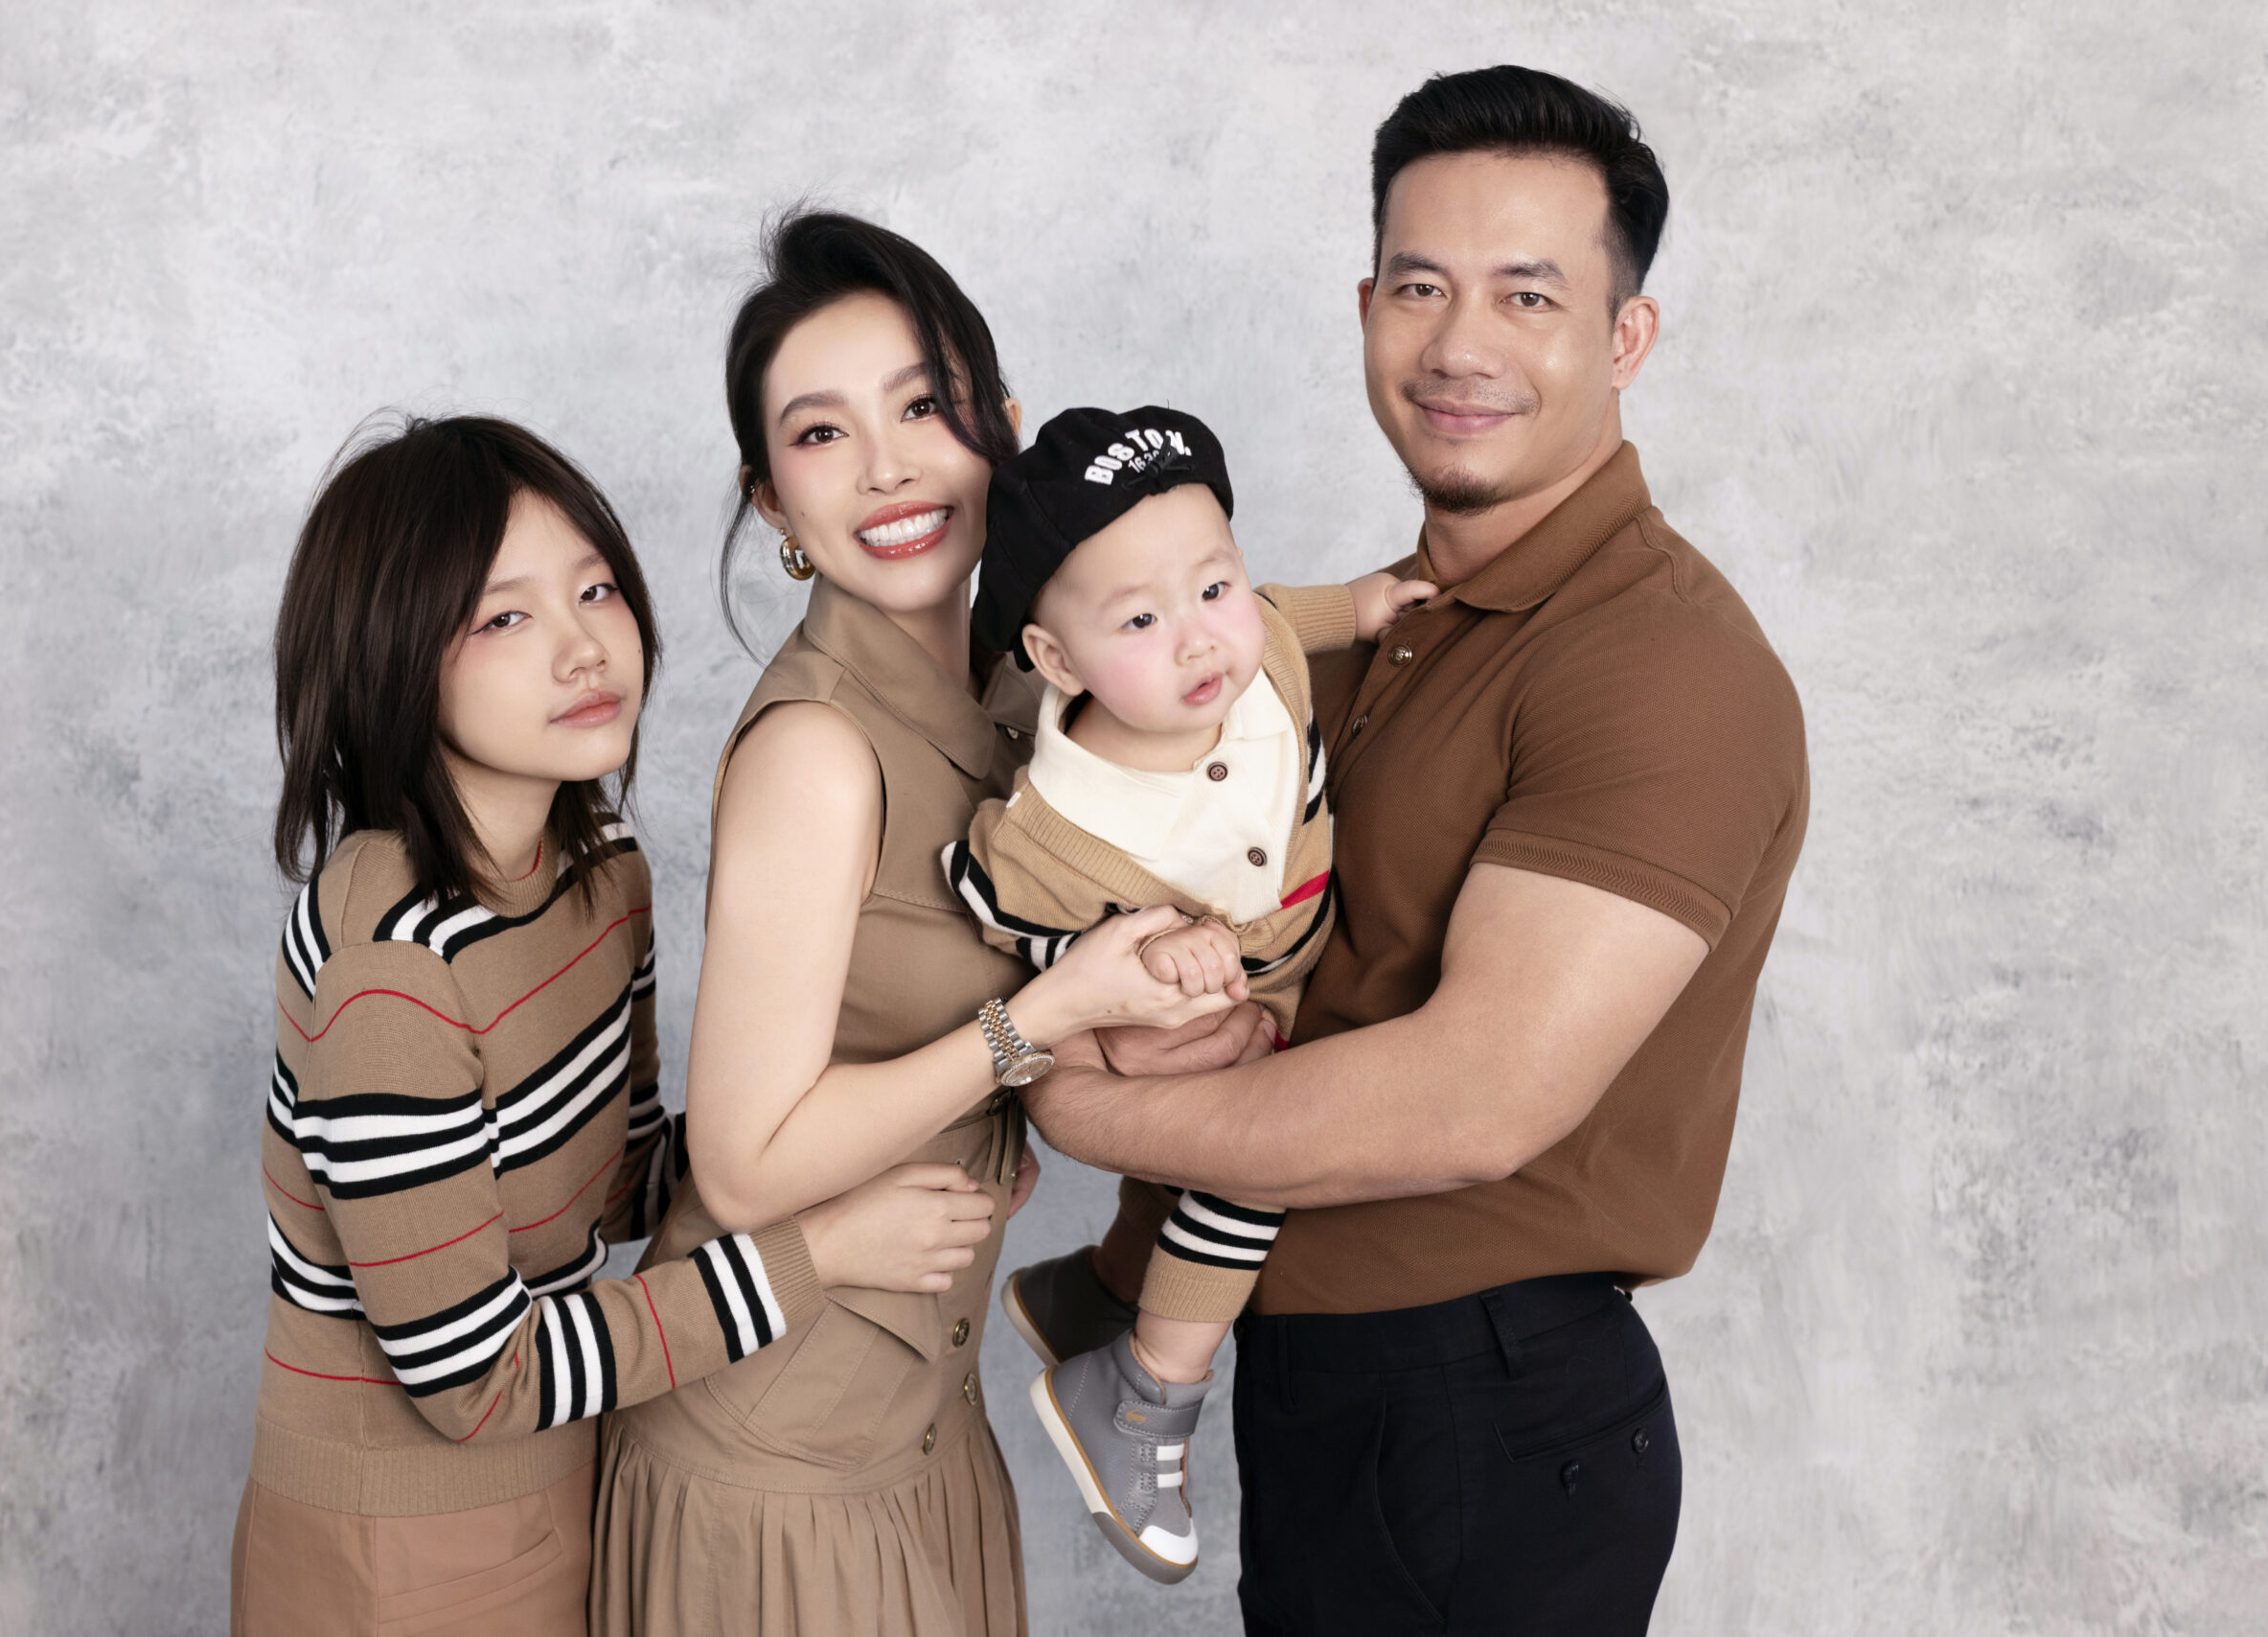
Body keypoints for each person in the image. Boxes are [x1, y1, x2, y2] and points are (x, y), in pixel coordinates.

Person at [1013, 66, 1812, 1635]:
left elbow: (1474, 1096)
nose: (1459, 344)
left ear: (1626, 337)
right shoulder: (1360, 630)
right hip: (1347, 1390)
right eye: (1419, 285)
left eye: (1530, 294)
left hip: (1481, 1409)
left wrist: (1082, 1101)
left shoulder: (1658, 664)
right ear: (1367, 307)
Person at [235, 414, 996, 1636]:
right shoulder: (393, 971)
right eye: (503, 619)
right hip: (397, 1553)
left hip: (563, 1485)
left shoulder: (600, 878)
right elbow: (476, 1382)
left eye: (594, 589)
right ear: (392, 655)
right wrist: (819, 1253)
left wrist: (888, 1125)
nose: (584, 646)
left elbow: (619, 1180)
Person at [588, 214, 1226, 1637]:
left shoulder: (1030, 693)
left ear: (1002, 425)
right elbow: (742, 1165)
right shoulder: (819, 751)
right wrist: (1035, 1026)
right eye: (822, 435)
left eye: (925, 407)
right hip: (774, 1468)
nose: (887, 467)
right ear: (771, 502)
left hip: (922, 1434)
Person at [938, 403, 1432, 1581]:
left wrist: (1370, 601)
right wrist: (1140, 961)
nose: (1200, 640)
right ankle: (1146, 1387)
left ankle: (1097, 1289)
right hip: (1202, 1034)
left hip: (1302, 972)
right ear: (1057, 660)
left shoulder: (1261, 659)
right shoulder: (1056, 830)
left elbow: (1293, 613)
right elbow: (1017, 936)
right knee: (1258, 1160)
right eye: (1140, 620)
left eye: (1213, 587)